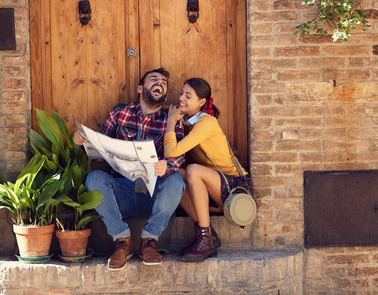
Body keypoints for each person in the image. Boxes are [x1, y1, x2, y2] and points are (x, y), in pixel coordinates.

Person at [74, 68, 185, 270]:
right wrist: (84, 143)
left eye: (163, 82)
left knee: (176, 181)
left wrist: (166, 166)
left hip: (153, 194)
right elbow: (100, 151)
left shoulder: (171, 120)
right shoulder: (120, 113)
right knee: (94, 178)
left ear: (166, 94)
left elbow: (179, 156)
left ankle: (149, 241)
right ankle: (122, 240)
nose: (159, 83)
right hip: (121, 192)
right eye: (154, 79)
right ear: (140, 88)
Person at [164, 77, 253, 262]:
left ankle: (205, 241)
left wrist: (170, 123)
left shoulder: (206, 122)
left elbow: (171, 152)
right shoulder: (189, 122)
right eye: (181, 93)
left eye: (188, 96)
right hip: (213, 186)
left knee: (193, 170)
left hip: (234, 186)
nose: (181, 98)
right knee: (174, 174)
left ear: (201, 102)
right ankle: (208, 234)